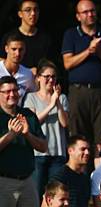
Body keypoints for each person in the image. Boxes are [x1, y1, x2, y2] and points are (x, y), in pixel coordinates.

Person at [0, 75, 46, 207]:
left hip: (28, 181)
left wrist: (27, 133)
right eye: (7, 91)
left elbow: (43, 146)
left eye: (15, 90)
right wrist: (10, 136)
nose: (12, 95)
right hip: (3, 182)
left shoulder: (27, 115)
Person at [61, 0, 101, 149]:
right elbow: (67, 63)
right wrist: (89, 51)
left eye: (92, 11)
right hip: (78, 92)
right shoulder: (70, 35)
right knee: (78, 137)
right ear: (78, 16)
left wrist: (99, 51)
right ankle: (79, 171)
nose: (90, 15)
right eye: (85, 12)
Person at [24, 60, 69, 197]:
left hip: (57, 154)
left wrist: (58, 103)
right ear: (38, 78)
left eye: (53, 77)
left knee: (55, 194)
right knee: (37, 193)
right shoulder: (31, 98)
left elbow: (65, 123)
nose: (50, 80)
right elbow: (33, 122)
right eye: (47, 76)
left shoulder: (62, 98)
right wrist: (51, 105)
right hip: (38, 154)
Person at [0, 0, 53, 74]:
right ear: (20, 14)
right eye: (28, 10)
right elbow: (1, 59)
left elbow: (50, 63)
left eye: (36, 10)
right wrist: (25, 71)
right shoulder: (9, 36)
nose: (33, 13)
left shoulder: (45, 38)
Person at [0, 34, 35, 104]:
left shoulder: (28, 74)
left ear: (25, 50)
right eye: (14, 49)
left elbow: (34, 97)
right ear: (6, 49)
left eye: (21, 49)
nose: (17, 53)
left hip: (18, 113)